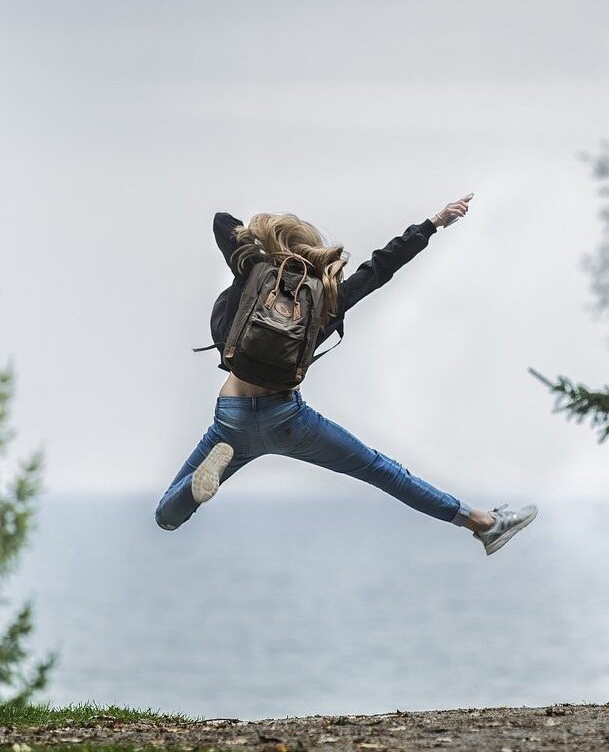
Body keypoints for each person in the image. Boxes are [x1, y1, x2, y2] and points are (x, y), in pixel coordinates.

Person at [154, 196, 538, 555]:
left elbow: (223, 222)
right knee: (382, 471)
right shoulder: (327, 297)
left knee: (166, 517)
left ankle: (194, 487)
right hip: (288, 419)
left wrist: (265, 248)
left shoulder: (253, 272)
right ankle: (483, 524)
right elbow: (380, 268)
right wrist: (433, 223)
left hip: (232, 418)